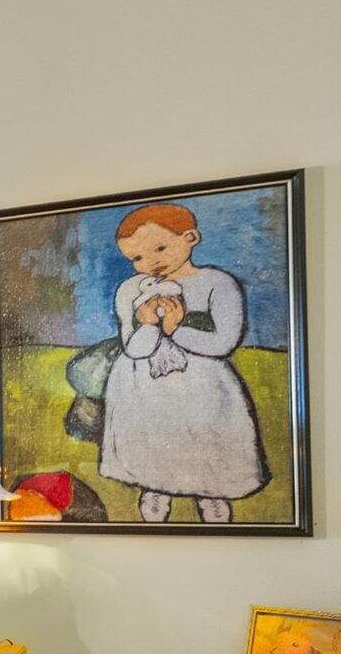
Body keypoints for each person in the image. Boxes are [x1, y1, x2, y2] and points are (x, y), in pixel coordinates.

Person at [99, 201, 267, 523]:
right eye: (137, 257)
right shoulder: (130, 290)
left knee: (203, 432)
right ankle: (155, 488)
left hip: (202, 382)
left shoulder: (217, 283)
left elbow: (223, 343)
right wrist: (148, 324)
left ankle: (212, 493)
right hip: (142, 382)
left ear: (190, 237)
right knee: (153, 432)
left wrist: (176, 328)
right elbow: (134, 349)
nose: (151, 261)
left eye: (160, 247)